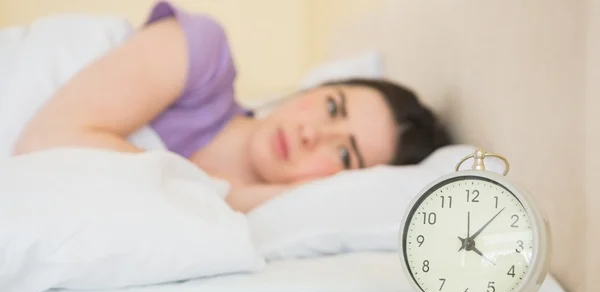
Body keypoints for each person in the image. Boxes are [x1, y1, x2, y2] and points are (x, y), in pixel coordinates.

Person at [13, 1, 452, 212]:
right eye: (333, 108)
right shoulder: (203, 56)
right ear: (314, 89)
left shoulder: (233, 223)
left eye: (343, 155)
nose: (312, 133)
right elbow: (45, 143)